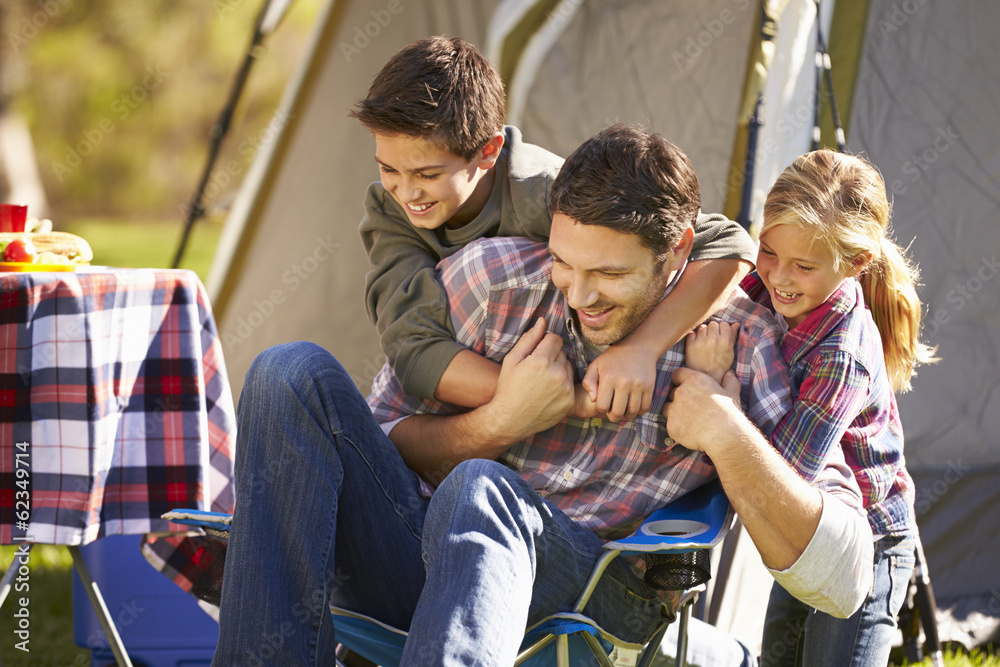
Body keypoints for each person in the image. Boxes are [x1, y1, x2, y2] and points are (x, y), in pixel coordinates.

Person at [212, 126, 872, 667]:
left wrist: (722, 424)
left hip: (590, 591)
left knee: (481, 489)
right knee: (285, 372)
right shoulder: (492, 282)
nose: (577, 295)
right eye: (564, 262)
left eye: (609, 274)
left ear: (677, 253)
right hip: (416, 559)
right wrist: (500, 419)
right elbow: (381, 445)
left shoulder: (740, 348)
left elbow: (841, 584)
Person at [352, 35, 757, 423]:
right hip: (479, 400)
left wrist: (641, 349)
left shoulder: (546, 192)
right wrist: (559, 400)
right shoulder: (388, 213)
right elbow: (413, 349)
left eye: (426, 173)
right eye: (388, 168)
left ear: (488, 152)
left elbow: (727, 242)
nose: (406, 191)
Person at [673, 149, 936, 666]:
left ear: (854, 265)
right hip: (808, 525)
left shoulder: (842, 354)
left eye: (804, 265)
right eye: (768, 251)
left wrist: (719, 394)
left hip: (867, 540)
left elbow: (784, 477)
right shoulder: (767, 285)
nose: (778, 278)